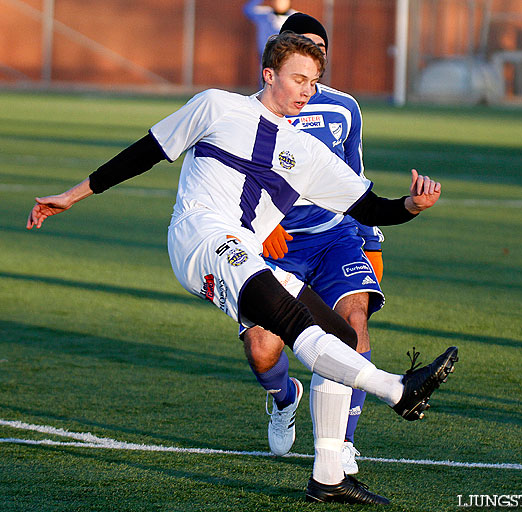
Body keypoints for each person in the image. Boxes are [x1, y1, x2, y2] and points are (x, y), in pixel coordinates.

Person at [26, 32, 458, 505]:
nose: (305, 91)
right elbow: (145, 151)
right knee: (295, 326)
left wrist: (412, 205)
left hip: (244, 253)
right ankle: (397, 390)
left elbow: (370, 206)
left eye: (313, 83)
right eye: (297, 79)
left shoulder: (308, 155)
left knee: (342, 340)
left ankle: (329, 475)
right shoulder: (216, 106)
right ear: (269, 74)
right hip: (200, 238)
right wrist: (71, 195)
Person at [244, 13, 383, 476]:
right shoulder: (248, 114)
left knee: (353, 323)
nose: (312, 59)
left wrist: (371, 241)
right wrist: (258, 227)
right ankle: (284, 398)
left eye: (319, 53)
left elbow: (355, 180)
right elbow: (234, 181)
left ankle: (341, 442)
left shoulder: (344, 109)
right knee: (263, 348)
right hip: (272, 248)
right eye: (302, 49)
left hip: (332, 238)